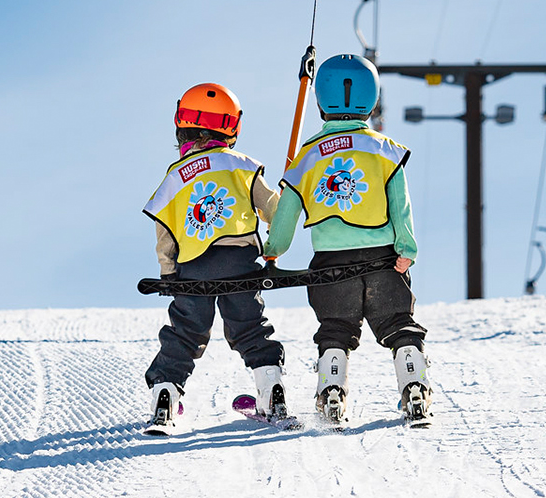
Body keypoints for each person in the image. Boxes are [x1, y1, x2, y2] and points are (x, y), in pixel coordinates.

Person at [264, 54, 432, 427]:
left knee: (336, 328)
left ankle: (332, 393)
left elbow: (287, 213)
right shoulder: (386, 150)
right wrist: (406, 249)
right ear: (370, 100)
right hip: (383, 258)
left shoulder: (305, 157)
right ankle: (415, 388)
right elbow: (400, 205)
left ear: (322, 100)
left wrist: (273, 249)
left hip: (331, 262)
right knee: (398, 322)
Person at [140, 82, 286, 433]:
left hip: (193, 269)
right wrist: (276, 236)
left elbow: (165, 231)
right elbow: (275, 212)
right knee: (250, 328)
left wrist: (169, 272)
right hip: (240, 263)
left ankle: (165, 396)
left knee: (186, 333)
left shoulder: (175, 175)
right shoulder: (244, 166)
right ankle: (272, 392)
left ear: (182, 125)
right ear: (231, 127)